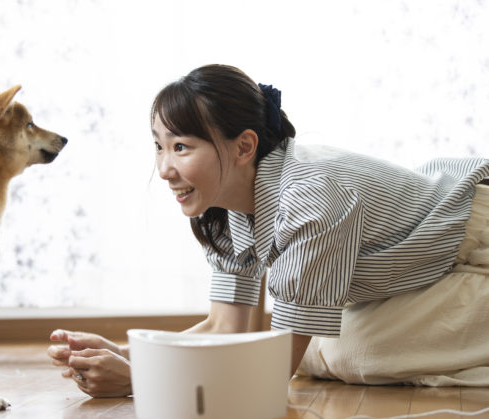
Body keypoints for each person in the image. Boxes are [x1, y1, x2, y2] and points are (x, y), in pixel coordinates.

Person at [48, 64, 489, 397]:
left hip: (470, 239)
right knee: (315, 349)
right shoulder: (222, 210)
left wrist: (142, 382)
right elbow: (226, 328)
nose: (164, 169)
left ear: (244, 147)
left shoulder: (311, 198)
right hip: (411, 271)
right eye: (159, 147)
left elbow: (273, 373)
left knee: (337, 352)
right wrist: (128, 355)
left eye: (181, 147)